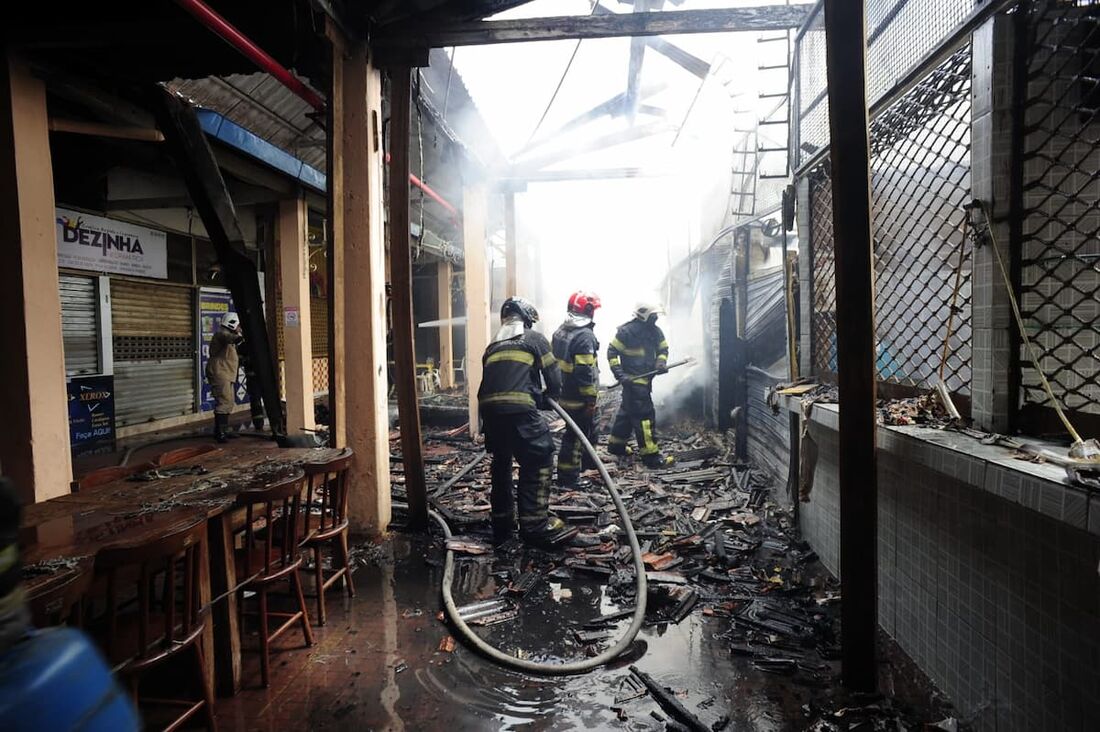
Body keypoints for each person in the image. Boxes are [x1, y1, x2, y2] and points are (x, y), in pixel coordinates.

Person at [477, 297, 576, 549]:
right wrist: (548, 397)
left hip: (490, 414)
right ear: (527, 319)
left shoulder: (492, 346)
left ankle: (502, 522)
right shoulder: (534, 339)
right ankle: (534, 526)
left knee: (501, 461)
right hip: (519, 412)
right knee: (539, 457)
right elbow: (553, 378)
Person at [607, 301, 676, 468]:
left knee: (626, 414)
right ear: (644, 315)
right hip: (633, 382)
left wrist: (660, 363)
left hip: (645, 380)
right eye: (653, 315)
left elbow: (663, 349)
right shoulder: (626, 332)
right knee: (645, 418)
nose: (656, 318)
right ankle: (651, 458)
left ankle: (617, 447)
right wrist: (620, 374)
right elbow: (612, 352)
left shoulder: (655, 331)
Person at [552, 291, 602, 489]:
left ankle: (586, 467)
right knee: (574, 438)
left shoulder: (561, 331)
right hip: (579, 398)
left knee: (586, 432)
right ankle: (569, 479)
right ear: (588, 311)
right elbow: (584, 371)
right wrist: (590, 399)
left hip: (565, 394)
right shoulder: (584, 336)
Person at [206, 312, 242, 443]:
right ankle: (220, 432)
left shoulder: (230, 336)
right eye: (238, 325)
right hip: (220, 371)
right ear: (232, 323)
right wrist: (240, 338)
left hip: (226, 372)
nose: (239, 328)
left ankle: (224, 429)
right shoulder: (222, 334)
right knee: (224, 401)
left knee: (229, 401)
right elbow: (228, 337)